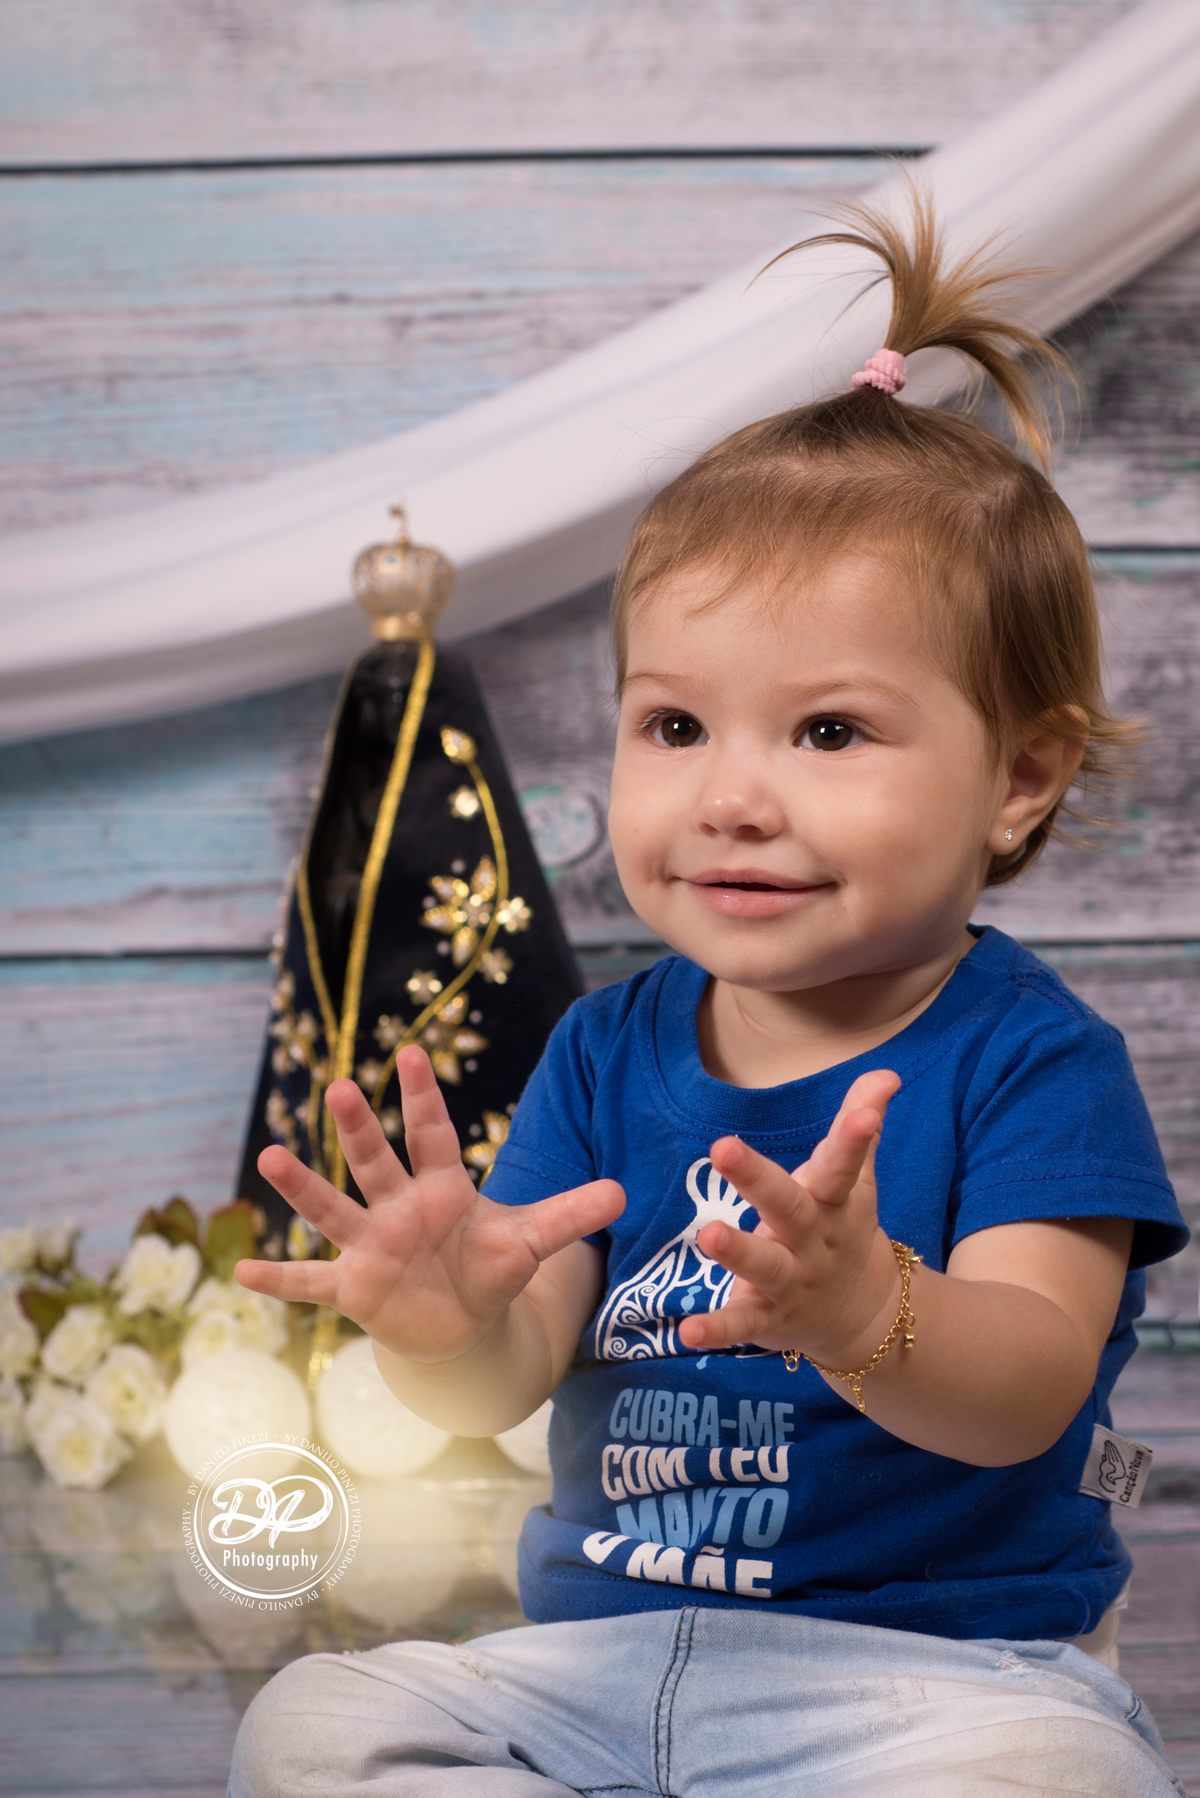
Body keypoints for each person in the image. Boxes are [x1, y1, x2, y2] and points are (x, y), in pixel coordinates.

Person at [228, 191, 1189, 1797]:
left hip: (927, 1688)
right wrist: (444, 1320)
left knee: (1063, 1782)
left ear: (1020, 776)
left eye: (826, 733)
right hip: (598, 1665)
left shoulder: (1035, 1062)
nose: (730, 797)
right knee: (308, 1724)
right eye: (676, 726)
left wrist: (859, 1309)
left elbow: (1029, 1386)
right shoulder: (605, 1047)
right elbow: (517, 1365)